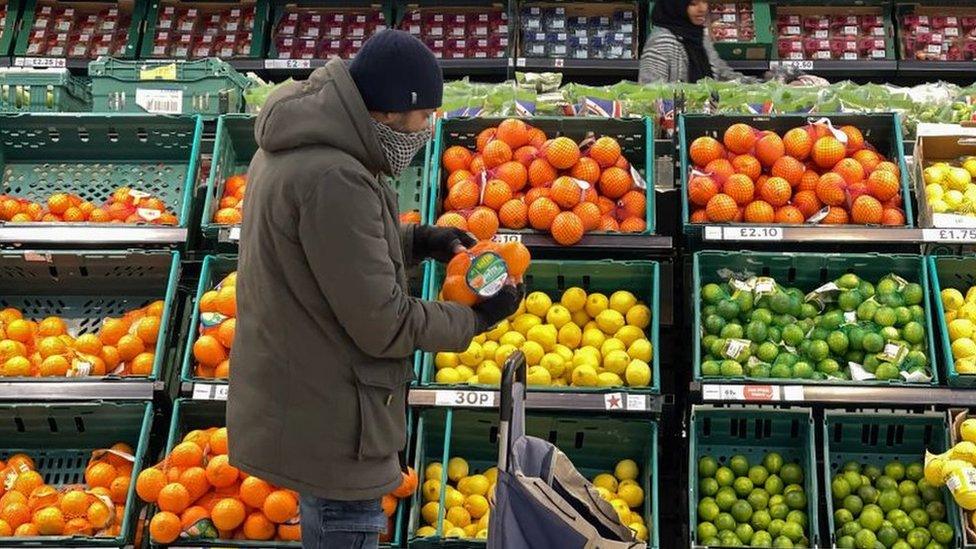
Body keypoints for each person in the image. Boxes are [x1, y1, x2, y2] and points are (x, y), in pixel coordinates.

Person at [227, 29, 522, 549]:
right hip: (335, 412)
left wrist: (416, 241)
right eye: (424, 115)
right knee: (344, 523)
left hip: (308, 391)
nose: (429, 128)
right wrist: (476, 319)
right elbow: (382, 324)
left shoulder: (304, 150)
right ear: (388, 112)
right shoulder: (336, 177)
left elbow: (323, 254)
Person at [638, 0, 752, 84]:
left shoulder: (700, 37)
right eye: (693, 4)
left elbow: (724, 75)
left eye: (704, 1)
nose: (702, 8)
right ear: (676, 6)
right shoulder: (661, 43)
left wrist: (760, 84)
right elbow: (650, 93)